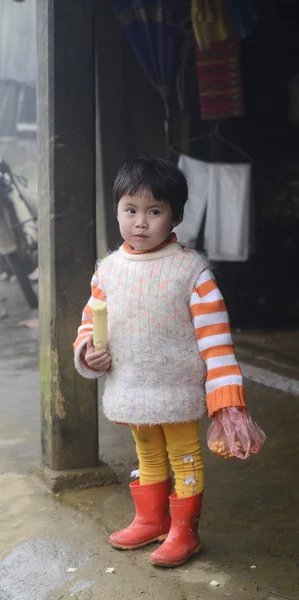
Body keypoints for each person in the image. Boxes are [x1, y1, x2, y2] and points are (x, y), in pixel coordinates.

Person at [73, 156, 249, 568]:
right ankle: (151, 519)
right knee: (148, 454)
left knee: (184, 455)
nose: (141, 222)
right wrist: (89, 351)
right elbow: (90, 322)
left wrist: (227, 397)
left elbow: (216, 340)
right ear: (116, 211)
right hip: (131, 384)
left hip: (178, 387)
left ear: (176, 217)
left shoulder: (191, 272)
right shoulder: (108, 271)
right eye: (130, 210)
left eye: (154, 211)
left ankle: (184, 531)